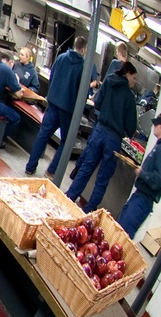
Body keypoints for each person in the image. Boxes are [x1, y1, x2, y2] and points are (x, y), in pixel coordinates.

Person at [66, 61, 138, 210]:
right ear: (128, 74)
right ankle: (89, 210)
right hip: (113, 140)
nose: (134, 82)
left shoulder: (109, 81)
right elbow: (131, 127)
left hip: (99, 131)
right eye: (134, 78)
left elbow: (97, 102)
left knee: (86, 168)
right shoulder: (130, 97)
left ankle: (69, 197)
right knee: (103, 179)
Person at [25, 36, 93, 177]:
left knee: (43, 135)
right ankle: (51, 171)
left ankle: (30, 166)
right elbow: (83, 93)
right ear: (84, 49)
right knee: (66, 141)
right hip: (68, 110)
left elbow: (52, 77)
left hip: (53, 104)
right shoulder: (83, 67)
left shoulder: (61, 57)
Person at [118, 115, 161, 238]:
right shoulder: (158, 146)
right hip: (139, 197)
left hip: (143, 201)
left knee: (123, 235)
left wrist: (142, 174)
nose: (154, 126)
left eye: (157, 123)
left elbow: (158, 180)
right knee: (120, 228)